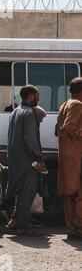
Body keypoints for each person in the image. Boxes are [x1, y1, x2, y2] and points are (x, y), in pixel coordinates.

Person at [5, 85, 47, 236]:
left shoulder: (15, 111)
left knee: (20, 191)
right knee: (26, 192)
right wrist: (38, 158)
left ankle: (15, 220)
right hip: (28, 160)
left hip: (15, 159)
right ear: (31, 96)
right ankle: (22, 226)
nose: (39, 98)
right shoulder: (29, 113)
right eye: (37, 95)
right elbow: (31, 139)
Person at [56, 77, 82, 239]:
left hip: (67, 155)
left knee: (70, 193)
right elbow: (68, 126)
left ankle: (72, 227)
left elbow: (58, 128)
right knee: (78, 192)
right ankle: (78, 227)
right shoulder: (78, 105)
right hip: (75, 155)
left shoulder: (64, 104)